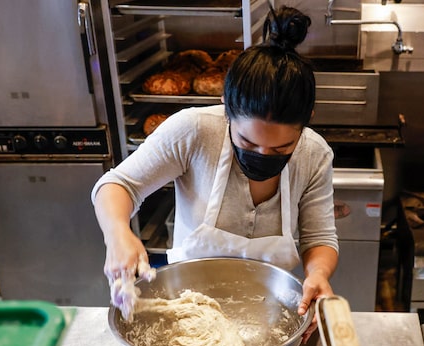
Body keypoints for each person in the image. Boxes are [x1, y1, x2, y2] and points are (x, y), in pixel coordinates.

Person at [91, 5, 337, 326]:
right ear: (225, 106)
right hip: (189, 307)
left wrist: (318, 274)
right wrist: (117, 232)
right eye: (247, 143)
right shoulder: (194, 131)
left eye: (281, 147)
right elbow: (118, 185)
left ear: (307, 123)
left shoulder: (314, 154)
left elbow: (320, 237)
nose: (262, 154)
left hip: (270, 309)